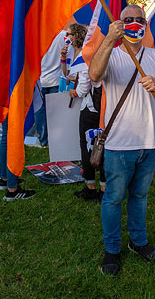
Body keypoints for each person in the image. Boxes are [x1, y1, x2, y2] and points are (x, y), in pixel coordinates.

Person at [88, 4, 155, 276]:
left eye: (140, 19)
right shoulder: (112, 55)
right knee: (114, 199)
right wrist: (108, 40)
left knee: (139, 196)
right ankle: (111, 249)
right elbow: (94, 74)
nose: (135, 23)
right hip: (118, 145)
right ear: (120, 23)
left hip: (150, 144)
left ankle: (138, 242)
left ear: (146, 25)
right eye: (129, 19)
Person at [68, 33, 106, 202]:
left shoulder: (89, 54)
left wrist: (74, 92)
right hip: (109, 111)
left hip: (91, 110)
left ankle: (91, 188)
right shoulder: (113, 52)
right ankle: (105, 188)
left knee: (87, 147)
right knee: (107, 148)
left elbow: (83, 88)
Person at [29, 29, 69, 146]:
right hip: (56, 79)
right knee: (56, 112)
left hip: (42, 79)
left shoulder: (36, 35)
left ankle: (43, 140)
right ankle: (56, 140)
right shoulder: (63, 35)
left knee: (41, 111)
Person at [0, 117, 36, 201]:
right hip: (14, 106)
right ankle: (12, 190)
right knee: (14, 138)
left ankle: (5, 180)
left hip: (6, 105)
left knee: (6, 135)